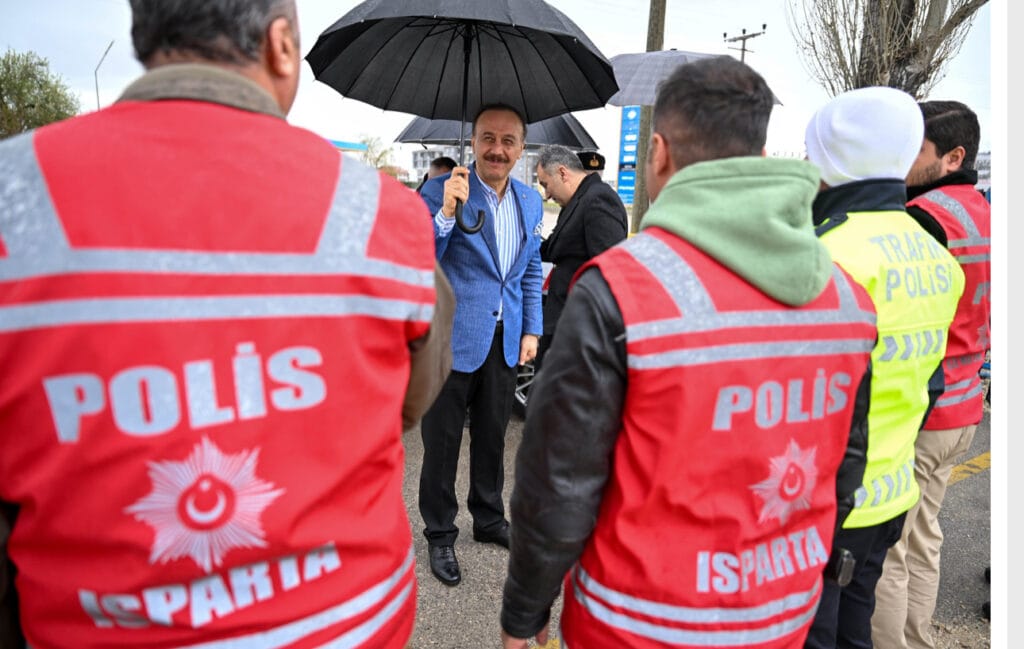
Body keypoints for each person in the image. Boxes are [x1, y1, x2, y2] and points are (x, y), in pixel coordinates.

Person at [0, 1, 454, 647]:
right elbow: (408, 396)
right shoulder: (378, 210)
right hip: (347, 623)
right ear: (280, 45)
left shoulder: (16, 194)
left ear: (145, 35)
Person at [499, 55, 879, 649]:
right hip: (782, 614)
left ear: (658, 153)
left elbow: (558, 487)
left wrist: (524, 614)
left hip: (637, 622)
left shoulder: (620, 290)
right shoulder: (847, 298)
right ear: (757, 153)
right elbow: (845, 466)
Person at [802, 87, 966, 649]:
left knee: (818, 633)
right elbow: (932, 381)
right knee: (857, 622)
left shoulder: (828, 254)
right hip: (892, 493)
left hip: (828, 503)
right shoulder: (935, 256)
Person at [871, 100, 991, 649]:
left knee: (891, 551)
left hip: (926, 406)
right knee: (923, 540)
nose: (902, 161)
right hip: (966, 406)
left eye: (915, 150)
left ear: (953, 156)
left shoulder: (927, 217)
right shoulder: (984, 210)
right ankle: (917, 639)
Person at [417, 104, 544, 587]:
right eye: (488, 138)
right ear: (473, 142)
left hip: (505, 339)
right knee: (442, 442)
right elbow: (419, 256)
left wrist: (531, 328)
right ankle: (440, 532)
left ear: (520, 149)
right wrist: (446, 212)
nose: (497, 148)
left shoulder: (530, 202)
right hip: (452, 338)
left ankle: (488, 519)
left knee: (492, 438)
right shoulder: (443, 190)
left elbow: (529, 271)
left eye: (508, 141)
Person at [534, 144, 627, 368]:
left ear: (563, 173)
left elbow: (609, 271)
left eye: (546, 184)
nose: (546, 195)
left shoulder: (598, 199)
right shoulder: (578, 200)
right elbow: (554, 249)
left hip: (579, 331)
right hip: (562, 322)